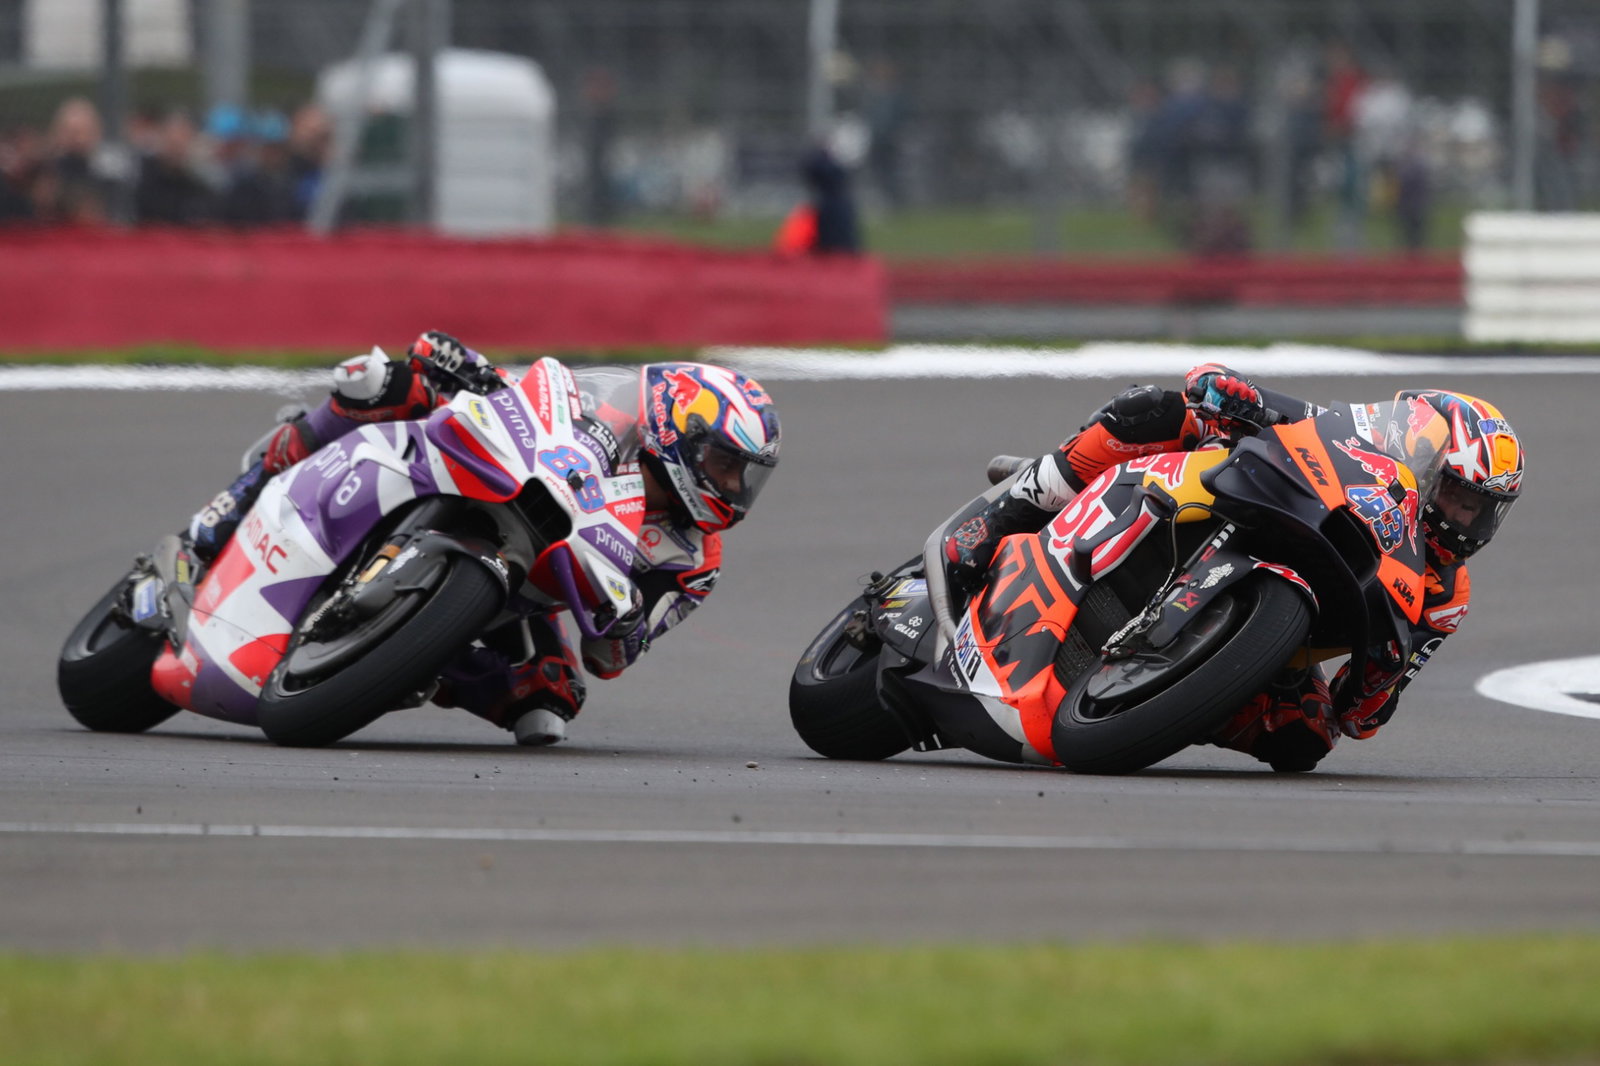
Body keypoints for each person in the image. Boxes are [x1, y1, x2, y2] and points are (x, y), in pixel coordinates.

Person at [185, 331, 781, 747]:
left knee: (549, 699)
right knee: (382, 381)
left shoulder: (692, 558)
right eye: (725, 463)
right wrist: (467, 369)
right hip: (485, 476)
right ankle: (240, 496)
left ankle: (403, 660)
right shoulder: (615, 411)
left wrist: (623, 628)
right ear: (680, 431)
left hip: (528, 596)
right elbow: (534, 395)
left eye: (745, 476)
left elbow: (613, 657)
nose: (733, 486)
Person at [942, 365, 1524, 771]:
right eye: (1457, 499)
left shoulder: (1443, 595)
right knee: (1156, 408)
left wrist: (1382, 681)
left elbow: (1360, 716)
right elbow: (1214, 383)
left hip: (1282, 637)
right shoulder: (1357, 441)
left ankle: (1171, 698)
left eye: (1481, 511)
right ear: (1426, 467)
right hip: (1232, 496)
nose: (1466, 523)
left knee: (1307, 739)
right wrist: (1235, 394)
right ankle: (1007, 510)